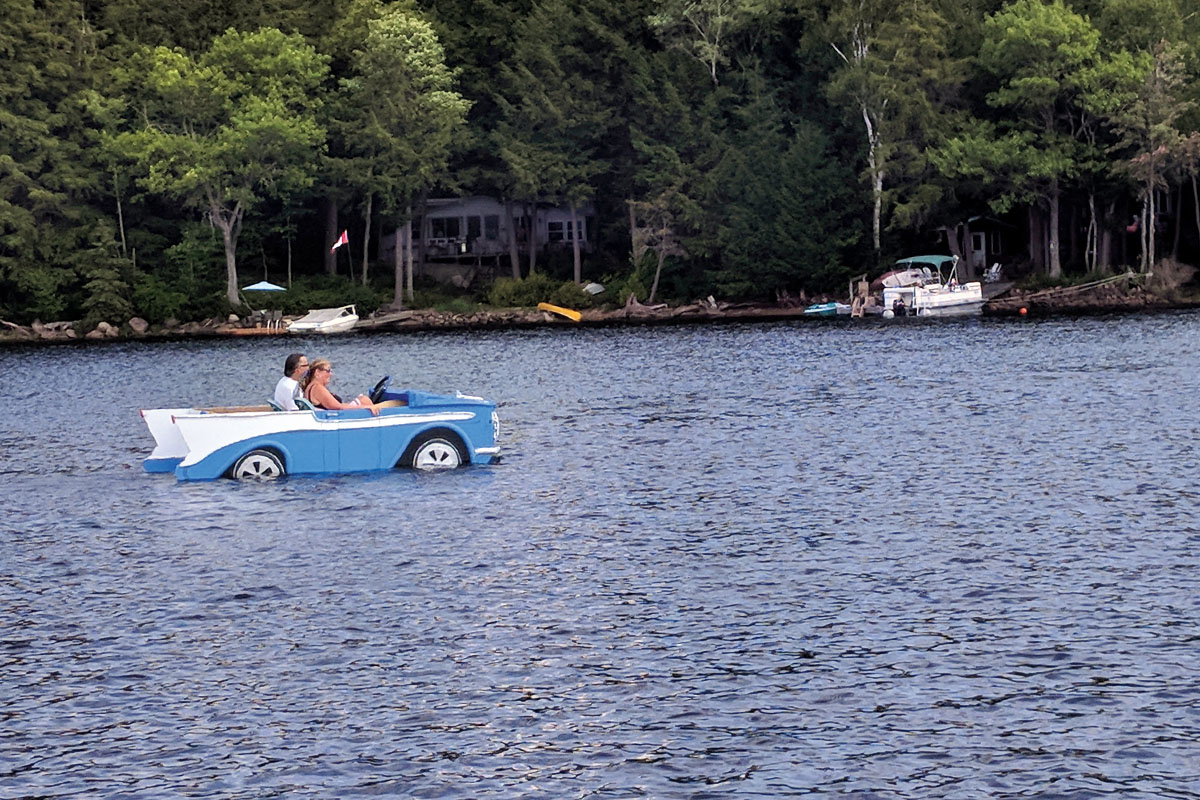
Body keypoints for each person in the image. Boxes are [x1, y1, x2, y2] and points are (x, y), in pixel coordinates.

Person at [301, 359, 380, 415]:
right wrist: (365, 407)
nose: (331, 374)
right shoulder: (317, 388)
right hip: (335, 417)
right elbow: (338, 407)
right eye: (328, 371)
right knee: (364, 400)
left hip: (331, 415)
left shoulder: (310, 387)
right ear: (317, 372)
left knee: (363, 399)